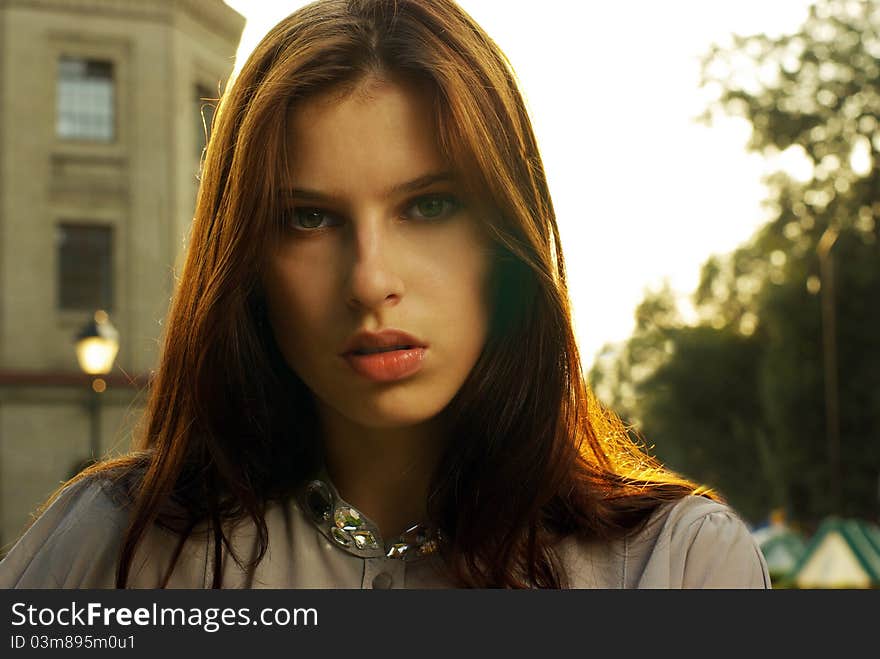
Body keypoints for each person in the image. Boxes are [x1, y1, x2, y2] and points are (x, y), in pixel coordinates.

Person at [0, 0, 769, 589]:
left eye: (428, 205)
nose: (370, 280)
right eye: (307, 217)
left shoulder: (674, 566)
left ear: (510, 233)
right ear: (247, 260)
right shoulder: (119, 545)